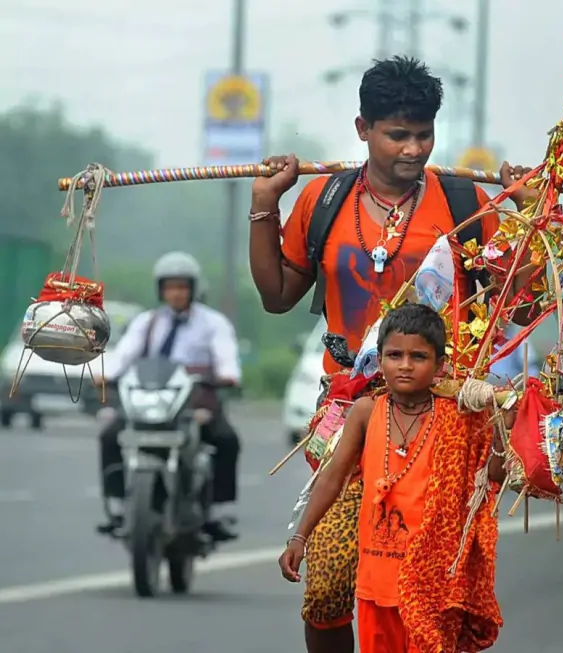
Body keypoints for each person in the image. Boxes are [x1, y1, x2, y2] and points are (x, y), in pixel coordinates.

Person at [248, 56, 536, 653]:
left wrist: (530, 214)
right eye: (397, 134)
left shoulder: (464, 204)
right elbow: (277, 296)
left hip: (443, 419)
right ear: (362, 129)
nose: (413, 149)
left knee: (428, 589)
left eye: (424, 134)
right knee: (327, 586)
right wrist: (264, 204)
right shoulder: (322, 200)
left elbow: (519, 305)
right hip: (348, 415)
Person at [279, 303, 506, 653]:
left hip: (431, 584)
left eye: (418, 357)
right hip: (375, 584)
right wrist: (300, 537)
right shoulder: (367, 412)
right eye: (394, 355)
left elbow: (491, 474)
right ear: (379, 360)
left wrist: (504, 427)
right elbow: (332, 477)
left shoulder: (459, 417)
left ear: (439, 365)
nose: (404, 365)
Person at [94, 251, 242, 542]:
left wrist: (227, 375)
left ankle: (217, 512)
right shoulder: (147, 322)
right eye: (170, 287)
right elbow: (124, 355)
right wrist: (106, 375)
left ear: (194, 289)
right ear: (161, 290)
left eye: (182, 287)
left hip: (196, 397)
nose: (176, 293)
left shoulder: (213, 323)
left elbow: (226, 358)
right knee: (110, 436)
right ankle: (118, 505)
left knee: (226, 440)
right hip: (152, 397)